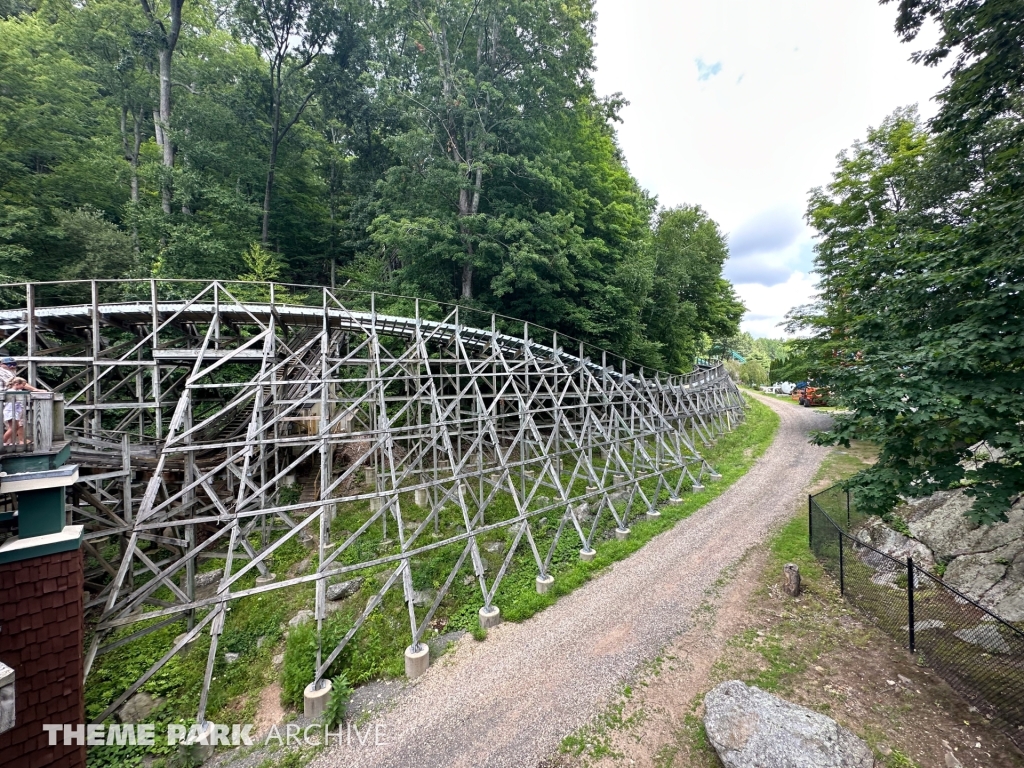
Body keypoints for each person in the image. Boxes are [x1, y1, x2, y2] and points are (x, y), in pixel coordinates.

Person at [3, 377, 44, 446]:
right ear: (16, 384)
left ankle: (9, 442)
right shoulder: (11, 391)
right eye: (23, 385)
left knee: (16, 426)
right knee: (12, 427)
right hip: (10, 411)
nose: (24, 386)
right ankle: (3, 441)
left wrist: (36, 390)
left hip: (15, 411)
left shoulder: (18, 391)